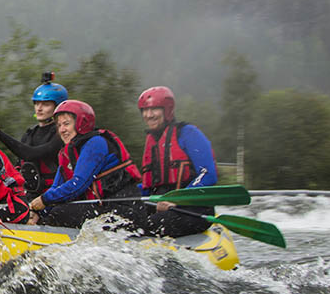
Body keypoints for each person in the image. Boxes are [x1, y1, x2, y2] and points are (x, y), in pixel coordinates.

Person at [29, 100, 143, 228]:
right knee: (49, 213)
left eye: (66, 124)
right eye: (59, 125)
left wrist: (45, 200)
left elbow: (78, 184)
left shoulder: (96, 143)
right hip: (101, 208)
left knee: (60, 213)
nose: (62, 130)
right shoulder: (66, 152)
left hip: (123, 211)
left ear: (81, 123)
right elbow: (56, 186)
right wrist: (38, 211)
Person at [135, 85, 217, 236]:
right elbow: (148, 186)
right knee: (120, 220)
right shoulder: (152, 141)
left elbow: (208, 174)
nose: (148, 115)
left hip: (192, 209)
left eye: (154, 109)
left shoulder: (188, 133)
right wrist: (123, 195)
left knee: (144, 226)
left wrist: (178, 200)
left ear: (167, 110)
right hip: (160, 205)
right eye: (145, 110)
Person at [0, 73, 68, 197]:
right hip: (30, 194)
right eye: (37, 103)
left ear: (58, 107)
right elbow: (19, 163)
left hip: (53, 194)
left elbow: (30, 154)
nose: (39, 108)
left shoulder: (61, 134)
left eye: (46, 104)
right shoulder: (31, 133)